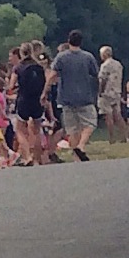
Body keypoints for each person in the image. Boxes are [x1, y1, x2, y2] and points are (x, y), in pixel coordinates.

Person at [51, 28, 99, 162]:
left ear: (68, 41)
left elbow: (53, 74)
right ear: (81, 42)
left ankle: (76, 157)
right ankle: (81, 146)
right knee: (90, 122)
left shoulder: (61, 57)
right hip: (85, 96)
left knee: (72, 129)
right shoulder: (88, 57)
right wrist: (97, 90)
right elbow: (95, 75)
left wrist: (45, 90)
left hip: (66, 97)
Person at [96, 44, 124, 141]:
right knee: (118, 114)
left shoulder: (105, 65)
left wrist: (100, 91)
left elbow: (103, 79)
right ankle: (124, 136)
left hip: (106, 93)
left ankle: (112, 137)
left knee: (108, 115)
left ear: (104, 54)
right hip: (117, 91)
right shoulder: (118, 64)